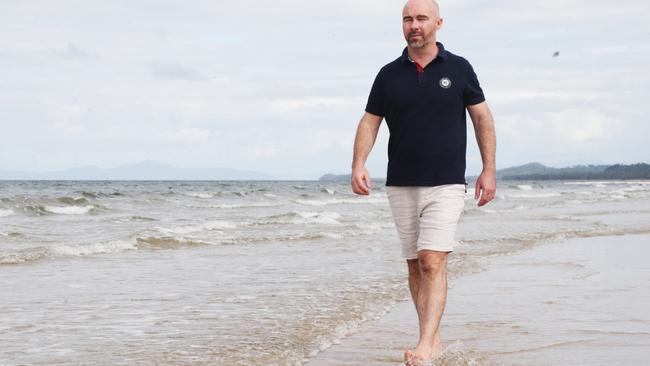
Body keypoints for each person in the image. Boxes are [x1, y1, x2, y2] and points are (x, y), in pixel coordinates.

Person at [350, 0, 497, 365]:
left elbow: (482, 119)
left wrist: (488, 169)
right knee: (415, 264)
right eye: (407, 19)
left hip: (446, 182)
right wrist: (358, 163)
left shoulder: (459, 69)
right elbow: (370, 121)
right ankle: (433, 338)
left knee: (433, 260)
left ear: (438, 23)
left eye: (421, 18)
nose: (414, 25)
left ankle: (425, 345)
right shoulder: (388, 74)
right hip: (400, 183)